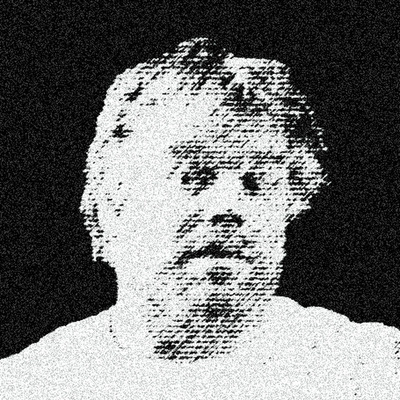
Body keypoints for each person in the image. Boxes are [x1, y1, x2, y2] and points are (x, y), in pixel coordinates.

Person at [1, 38, 399, 399]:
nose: (229, 207)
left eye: (256, 181)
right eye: (193, 176)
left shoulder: (367, 371)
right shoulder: (33, 386)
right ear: (108, 211)